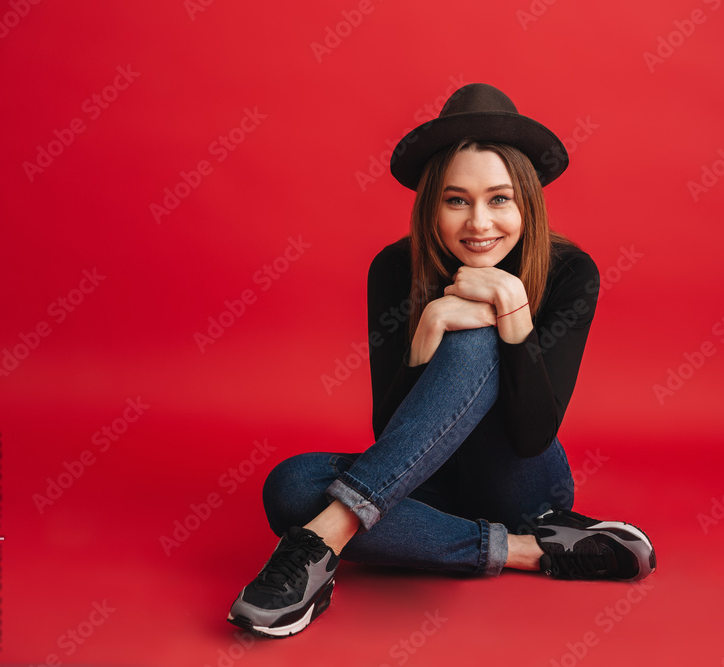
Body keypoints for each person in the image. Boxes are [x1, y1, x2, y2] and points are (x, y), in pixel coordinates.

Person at [227, 83, 656, 639]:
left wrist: (511, 309)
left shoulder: (572, 272)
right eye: (457, 200)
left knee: (475, 340)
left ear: (527, 201)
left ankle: (323, 540)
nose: (479, 223)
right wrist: (429, 326)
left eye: (499, 199)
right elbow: (391, 432)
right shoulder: (392, 269)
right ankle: (532, 552)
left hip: (521, 485)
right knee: (288, 484)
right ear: (432, 204)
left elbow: (533, 434)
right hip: (421, 487)